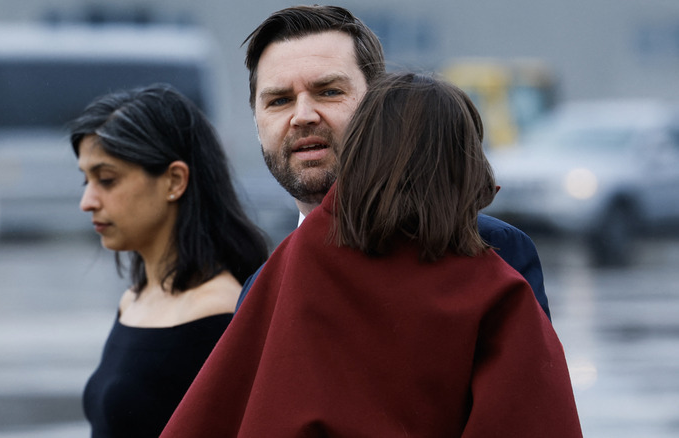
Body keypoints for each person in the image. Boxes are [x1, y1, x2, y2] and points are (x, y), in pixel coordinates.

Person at [160, 72, 581, 437]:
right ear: (465, 167)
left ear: (359, 154)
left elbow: (218, 405)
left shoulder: (298, 260)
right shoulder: (497, 284)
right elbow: (533, 418)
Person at [236, 4, 550, 319]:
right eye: (279, 101)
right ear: (256, 121)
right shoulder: (259, 291)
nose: (303, 116)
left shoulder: (492, 250)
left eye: (329, 92)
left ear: (379, 103)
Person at [68, 83, 268, 437]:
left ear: (174, 180)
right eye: (86, 180)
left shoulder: (218, 314)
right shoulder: (134, 299)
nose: (87, 201)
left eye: (107, 179)